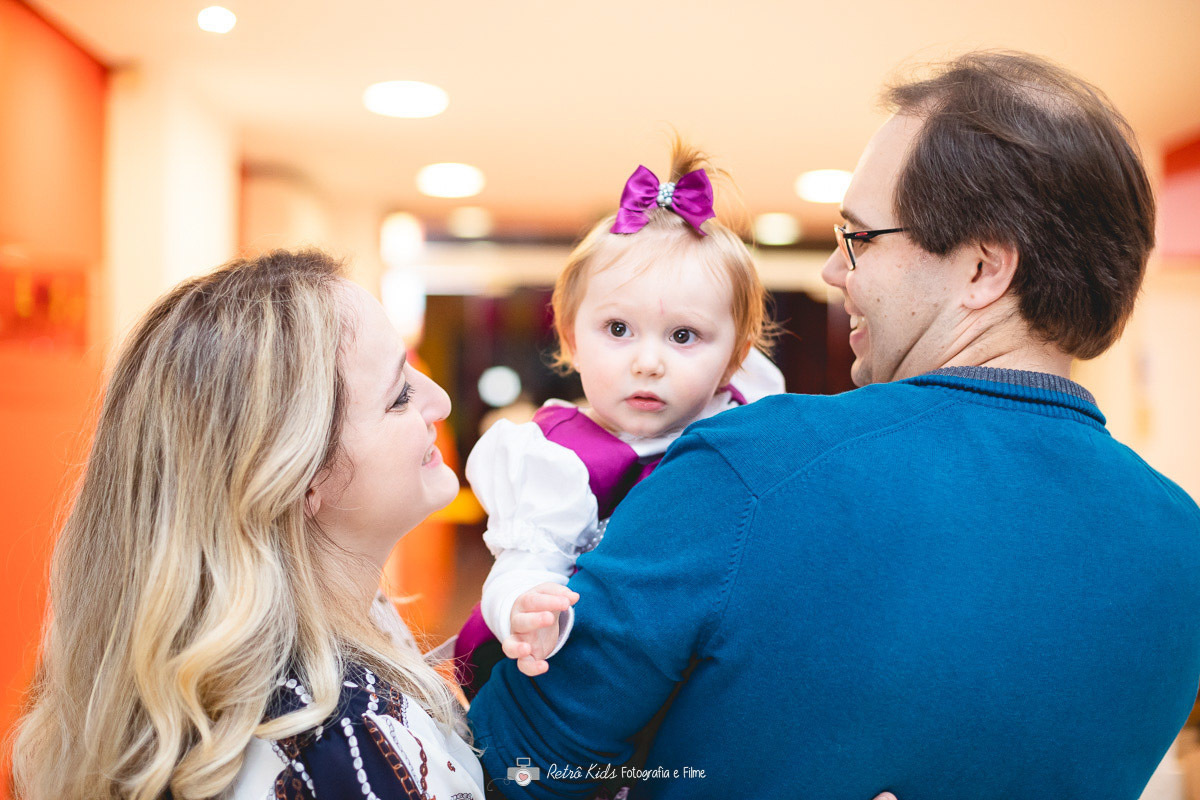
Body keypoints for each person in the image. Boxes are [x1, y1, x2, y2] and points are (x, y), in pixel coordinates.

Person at [467, 51, 1200, 799]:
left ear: (983, 269)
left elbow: (519, 764)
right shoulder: (1184, 544)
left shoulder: (755, 464)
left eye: (860, 240)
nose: (833, 273)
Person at [12, 251, 486, 799]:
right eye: (399, 395)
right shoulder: (334, 746)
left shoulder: (351, 631)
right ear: (302, 474)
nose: (441, 401)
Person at [454, 140, 784, 689]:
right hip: (589, 673)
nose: (648, 362)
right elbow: (524, 562)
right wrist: (525, 607)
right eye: (617, 330)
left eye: (683, 336)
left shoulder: (749, 413)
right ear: (570, 339)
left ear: (736, 357)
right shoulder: (556, 457)